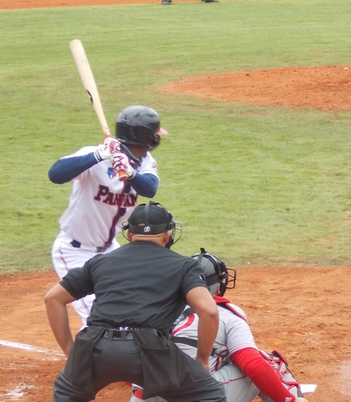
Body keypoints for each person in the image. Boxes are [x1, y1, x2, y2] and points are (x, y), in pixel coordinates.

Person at [44, 202, 227, 402]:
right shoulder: (184, 266)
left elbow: (53, 298)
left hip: (95, 347)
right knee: (210, 394)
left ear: (129, 235)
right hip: (150, 352)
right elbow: (209, 311)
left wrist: (72, 354)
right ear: (167, 235)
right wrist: (201, 361)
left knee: (65, 394)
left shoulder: (100, 261)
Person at [134, 249, 309, 402]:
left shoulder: (158, 308)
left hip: (150, 394)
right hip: (196, 396)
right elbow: (252, 364)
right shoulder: (226, 314)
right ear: (218, 286)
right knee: (266, 363)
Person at [49, 105, 167, 325]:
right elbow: (55, 174)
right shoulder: (95, 155)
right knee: (98, 317)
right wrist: (99, 155)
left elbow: (149, 188)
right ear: (146, 136)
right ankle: (82, 358)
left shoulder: (146, 161)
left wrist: (130, 172)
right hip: (75, 250)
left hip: (111, 250)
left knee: (133, 303)